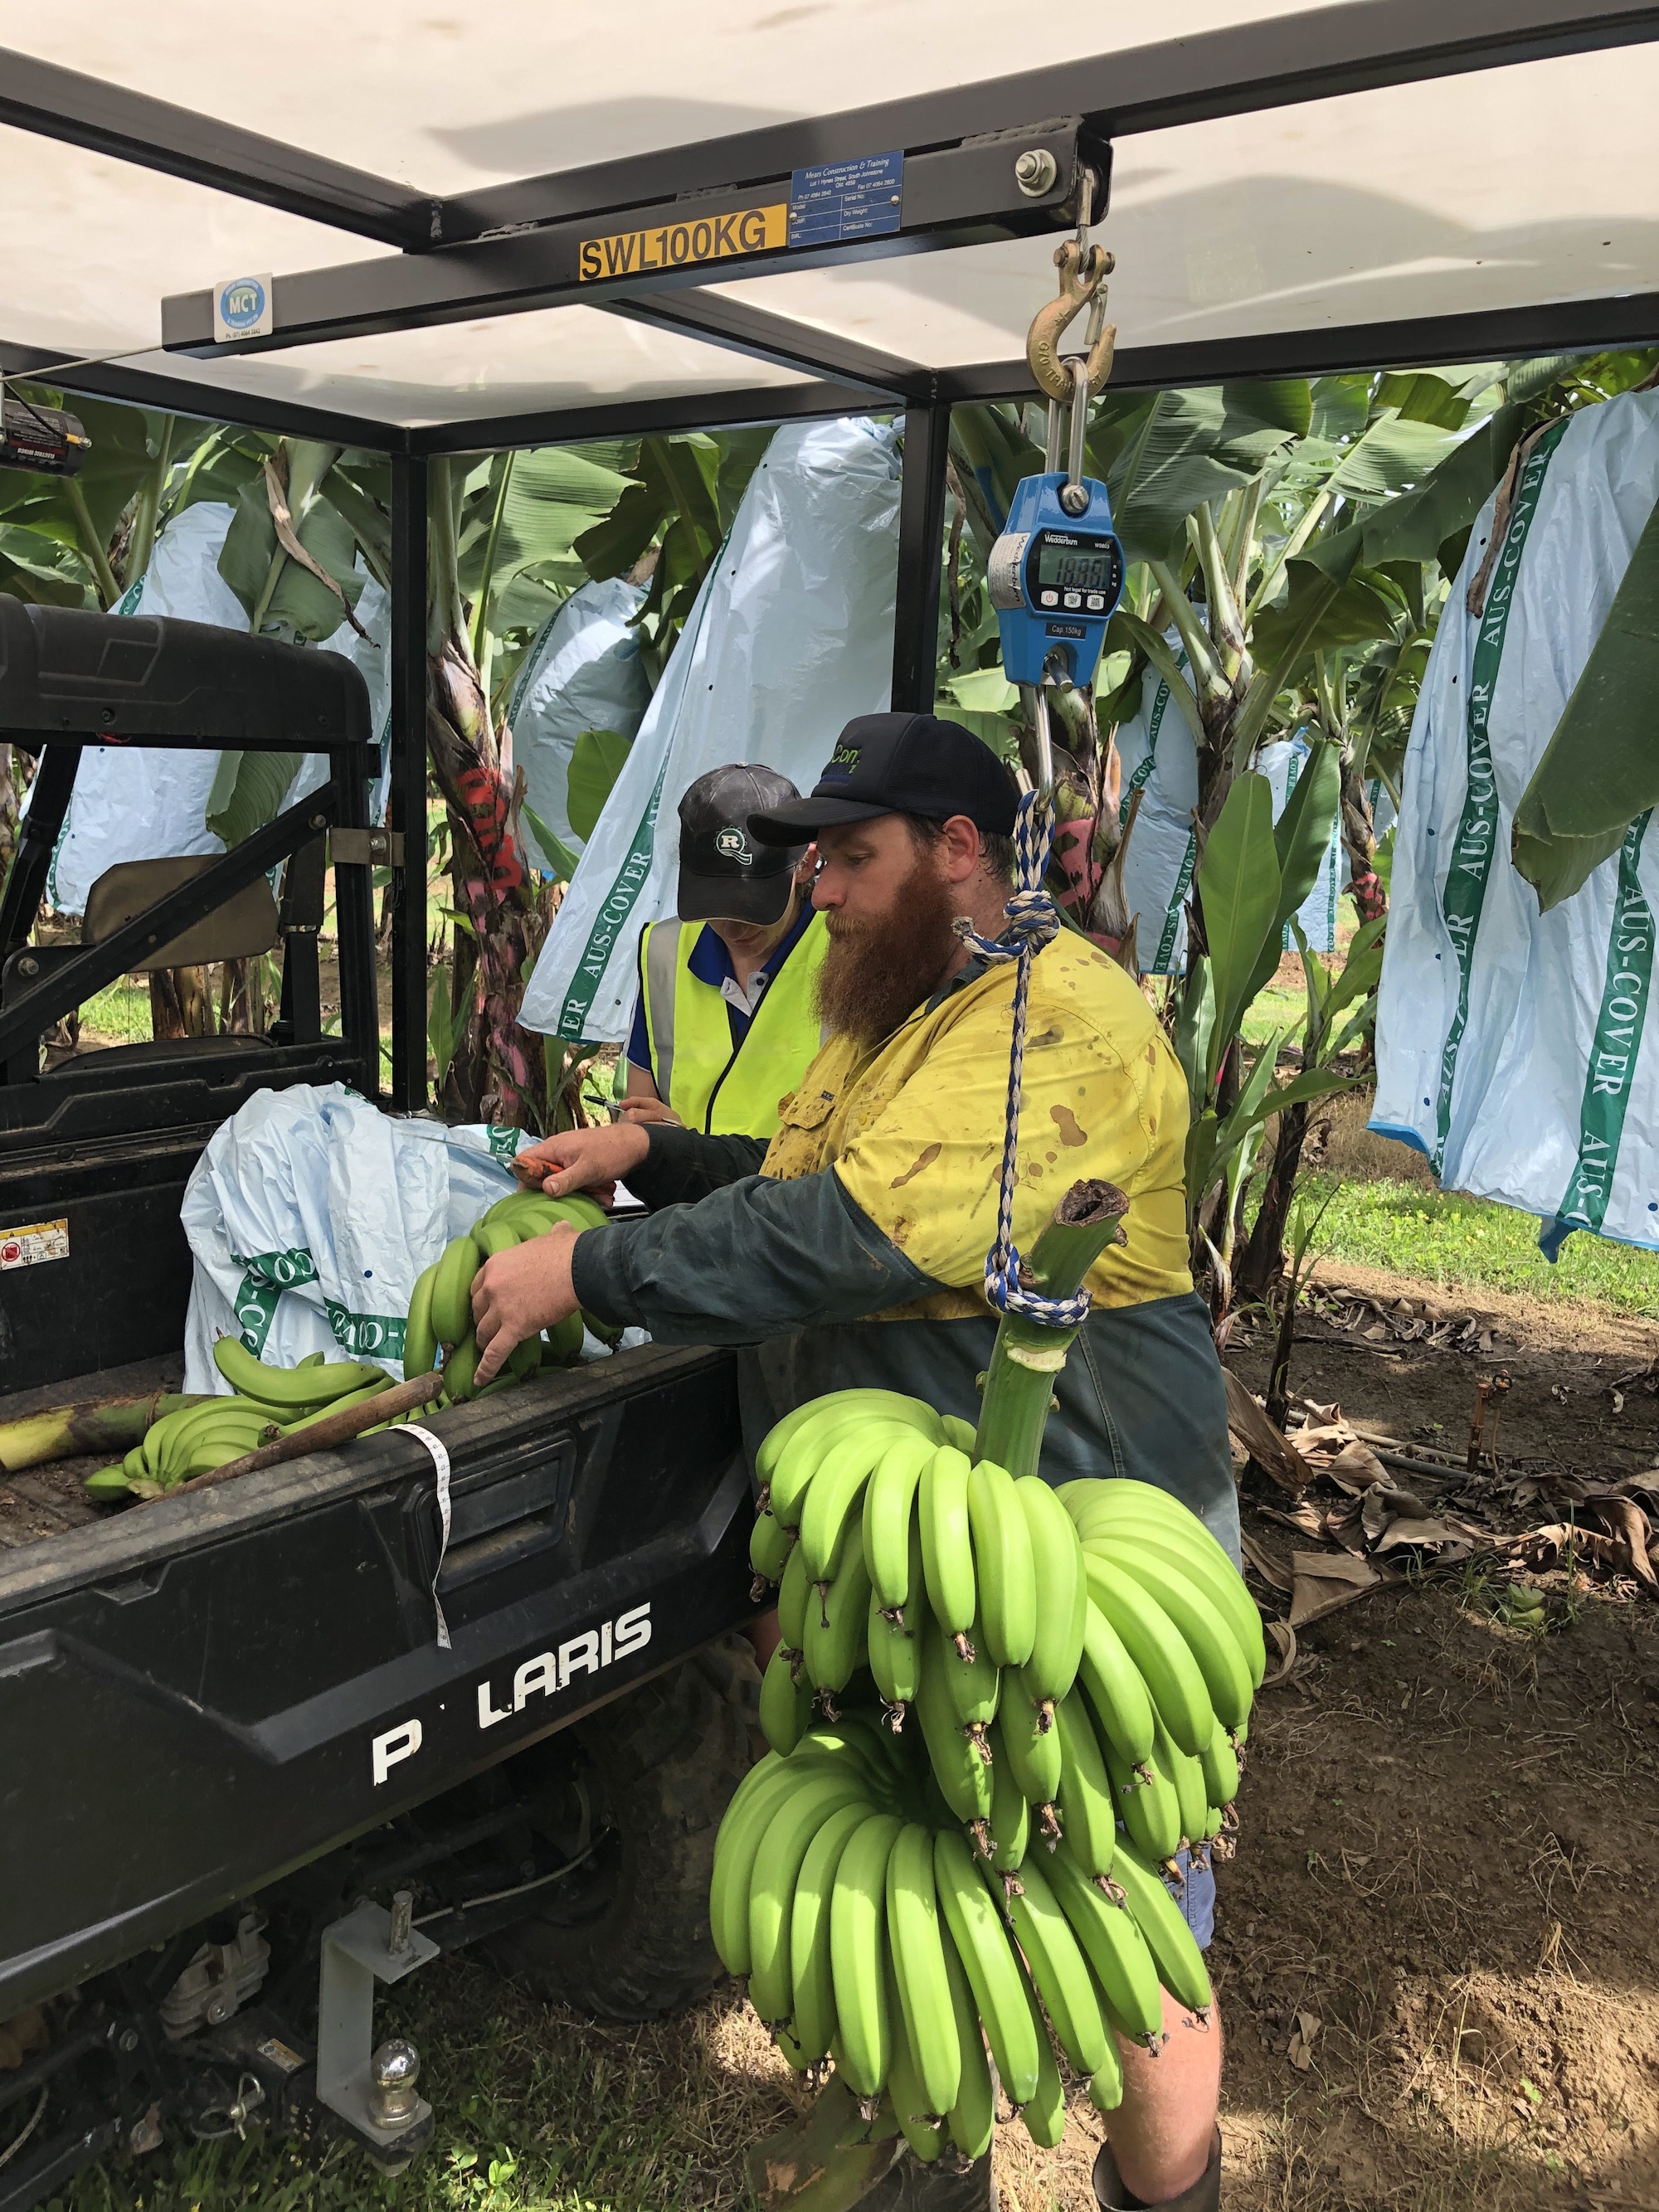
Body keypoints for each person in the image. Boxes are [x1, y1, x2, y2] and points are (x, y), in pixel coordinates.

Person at [473, 712, 1234, 2211]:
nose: (813, 884)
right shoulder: (902, 1008)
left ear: (961, 853)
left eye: (852, 855)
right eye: (814, 854)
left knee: (1118, 1897)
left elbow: (854, 1235)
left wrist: (593, 1275)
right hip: (915, 1555)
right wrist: (661, 1161)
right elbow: (804, 1175)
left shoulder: (1052, 1025)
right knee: (918, 1881)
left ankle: (1171, 2197)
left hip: (1067, 1536)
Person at [620, 763, 825, 1140]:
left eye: (752, 906)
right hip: (688, 1197)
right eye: (714, 905)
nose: (733, 927)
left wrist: (691, 1153)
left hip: (800, 1194)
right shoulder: (664, 953)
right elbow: (639, 1111)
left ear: (805, 865)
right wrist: (659, 1142)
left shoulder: (846, 951)